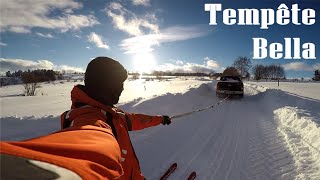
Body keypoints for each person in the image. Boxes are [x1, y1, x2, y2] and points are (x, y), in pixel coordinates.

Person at [0, 56, 172, 179]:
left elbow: (134, 120)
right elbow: (89, 139)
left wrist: (160, 119)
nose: (122, 89)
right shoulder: (90, 116)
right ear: (104, 85)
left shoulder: (112, 113)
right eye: (117, 84)